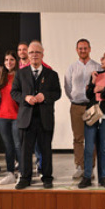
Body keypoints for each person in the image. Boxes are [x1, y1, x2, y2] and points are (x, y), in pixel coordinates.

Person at [12, 41, 61, 189]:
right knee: (25, 150)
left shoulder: (52, 74)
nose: (34, 55)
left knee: (45, 149)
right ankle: (25, 177)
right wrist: (25, 98)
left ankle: (47, 177)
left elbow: (57, 93)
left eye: (37, 52)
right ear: (28, 54)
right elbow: (14, 92)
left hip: (44, 118)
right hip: (26, 118)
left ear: (42, 54)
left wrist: (44, 96)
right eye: (31, 52)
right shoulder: (20, 73)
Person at [78, 50, 105, 189]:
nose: (101, 59)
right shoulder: (97, 74)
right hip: (92, 114)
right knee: (89, 147)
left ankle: (104, 176)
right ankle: (87, 176)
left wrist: (104, 91)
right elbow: (89, 94)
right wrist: (93, 82)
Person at [64, 39, 102, 179]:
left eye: (85, 48)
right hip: (76, 106)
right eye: (80, 48)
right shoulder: (72, 67)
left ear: (90, 49)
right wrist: (74, 98)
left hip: (91, 106)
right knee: (78, 138)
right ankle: (80, 166)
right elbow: (67, 87)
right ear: (76, 50)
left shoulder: (97, 66)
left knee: (91, 139)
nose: (83, 50)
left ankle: (90, 168)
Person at [0, 51, 21, 185]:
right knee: (8, 146)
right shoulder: (2, 76)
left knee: (18, 146)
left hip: (16, 116)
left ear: (16, 61)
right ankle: (10, 173)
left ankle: (22, 173)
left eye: (11, 60)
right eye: (6, 60)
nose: (8, 62)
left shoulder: (20, 76)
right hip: (3, 116)